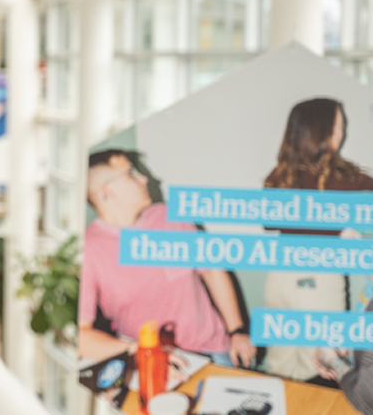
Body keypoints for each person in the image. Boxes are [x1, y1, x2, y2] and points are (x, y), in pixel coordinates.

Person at [79, 149, 255, 368]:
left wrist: (236, 331)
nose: (144, 179)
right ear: (109, 191)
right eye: (131, 174)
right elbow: (80, 336)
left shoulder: (170, 216)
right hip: (151, 362)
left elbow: (212, 272)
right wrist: (142, 353)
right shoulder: (89, 249)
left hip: (213, 351)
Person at [262, 97, 373, 383]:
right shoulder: (345, 177)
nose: (344, 131)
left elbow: (267, 222)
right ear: (323, 132)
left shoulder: (279, 175)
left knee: (279, 369)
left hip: (279, 279)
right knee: (321, 369)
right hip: (319, 283)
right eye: (339, 125)